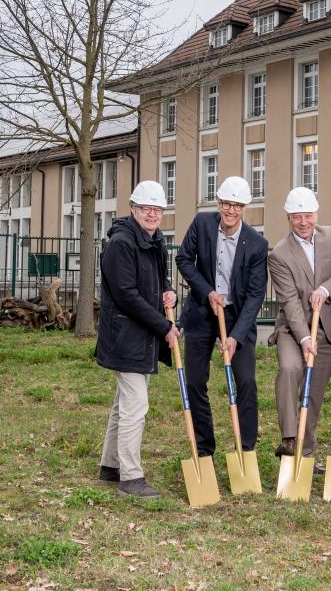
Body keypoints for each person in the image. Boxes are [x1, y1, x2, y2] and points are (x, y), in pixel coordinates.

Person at [96, 180, 180, 499]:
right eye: (146, 209)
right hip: (125, 334)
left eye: (157, 210)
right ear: (133, 210)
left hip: (140, 334)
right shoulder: (122, 242)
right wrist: (164, 326)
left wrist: (167, 289)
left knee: (124, 404)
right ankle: (131, 478)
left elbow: (158, 277)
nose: (152, 214)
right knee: (136, 405)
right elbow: (126, 295)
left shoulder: (154, 239)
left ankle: (110, 466)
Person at [176, 176, 268, 459]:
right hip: (203, 311)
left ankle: (246, 449)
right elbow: (183, 259)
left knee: (246, 382)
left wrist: (236, 336)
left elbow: (255, 296)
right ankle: (204, 449)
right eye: (226, 204)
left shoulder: (256, 244)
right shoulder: (203, 223)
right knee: (194, 381)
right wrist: (207, 292)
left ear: (244, 208)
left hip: (236, 316)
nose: (231, 210)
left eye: (237, 205)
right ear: (218, 203)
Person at [268, 187, 331, 472]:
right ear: (288, 218)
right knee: (291, 370)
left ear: (316, 213)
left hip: (327, 328)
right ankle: (289, 439)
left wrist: (326, 289)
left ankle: (303, 456)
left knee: (313, 393)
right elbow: (289, 301)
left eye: (308, 215)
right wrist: (304, 337)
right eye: (296, 217)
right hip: (293, 331)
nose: (303, 222)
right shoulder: (279, 254)